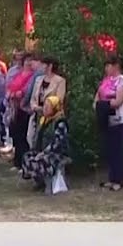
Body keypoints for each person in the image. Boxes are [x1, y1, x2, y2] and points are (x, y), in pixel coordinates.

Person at [22, 57, 70, 192]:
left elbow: (59, 99)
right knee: (32, 140)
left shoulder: (60, 81)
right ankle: (37, 178)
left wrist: (48, 107)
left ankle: (45, 178)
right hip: (39, 115)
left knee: (46, 144)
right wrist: (37, 107)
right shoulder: (38, 80)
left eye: (43, 64)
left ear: (50, 66)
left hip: (52, 114)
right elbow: (33, 97)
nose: (41, 66)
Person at [95, 55, 123, 190]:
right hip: (106, 119)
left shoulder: (122, 81)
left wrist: (104, 104)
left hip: (118, 119)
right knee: (109, 150)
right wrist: (98, 105)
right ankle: (112, 177)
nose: (106, 68)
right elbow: (98, 96)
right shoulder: (106, 81)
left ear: (116, 66)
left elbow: (118, 101)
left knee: (118, 150)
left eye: (109, 65)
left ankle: (120, 179)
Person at [7, 53, 40, 170]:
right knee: (16, 134)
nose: (28, 63)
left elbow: (26, 90)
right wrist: (10, 94)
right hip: (15, 107)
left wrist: (18, 94)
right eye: (26, 60)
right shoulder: (19, 74)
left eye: (31, 60)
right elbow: (10, 86)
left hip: (25, 107)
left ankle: (24, 163)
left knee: (23, 135)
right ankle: (17, 161)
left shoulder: (33, 76)